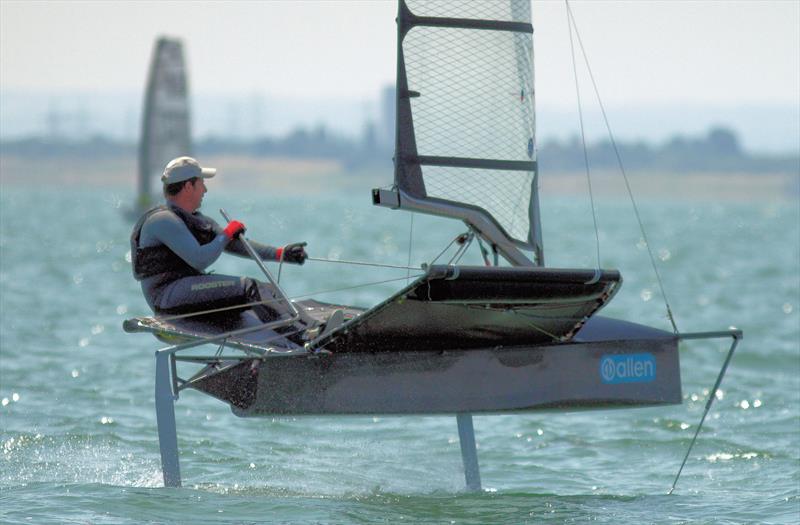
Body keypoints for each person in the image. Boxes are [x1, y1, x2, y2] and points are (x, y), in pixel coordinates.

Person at [130, 156, 308, 324]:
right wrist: (226, 234)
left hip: (187, 290)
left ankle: (310, 329)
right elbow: (200, 259)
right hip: (166, 297)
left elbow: (234, 244)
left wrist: (281, 254)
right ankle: (301, 335)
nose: (205, 190)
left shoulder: (196, 219)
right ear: (188, 186)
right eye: (202, 183)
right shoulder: (162, 220)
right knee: (249, 287)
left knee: (267, 291)